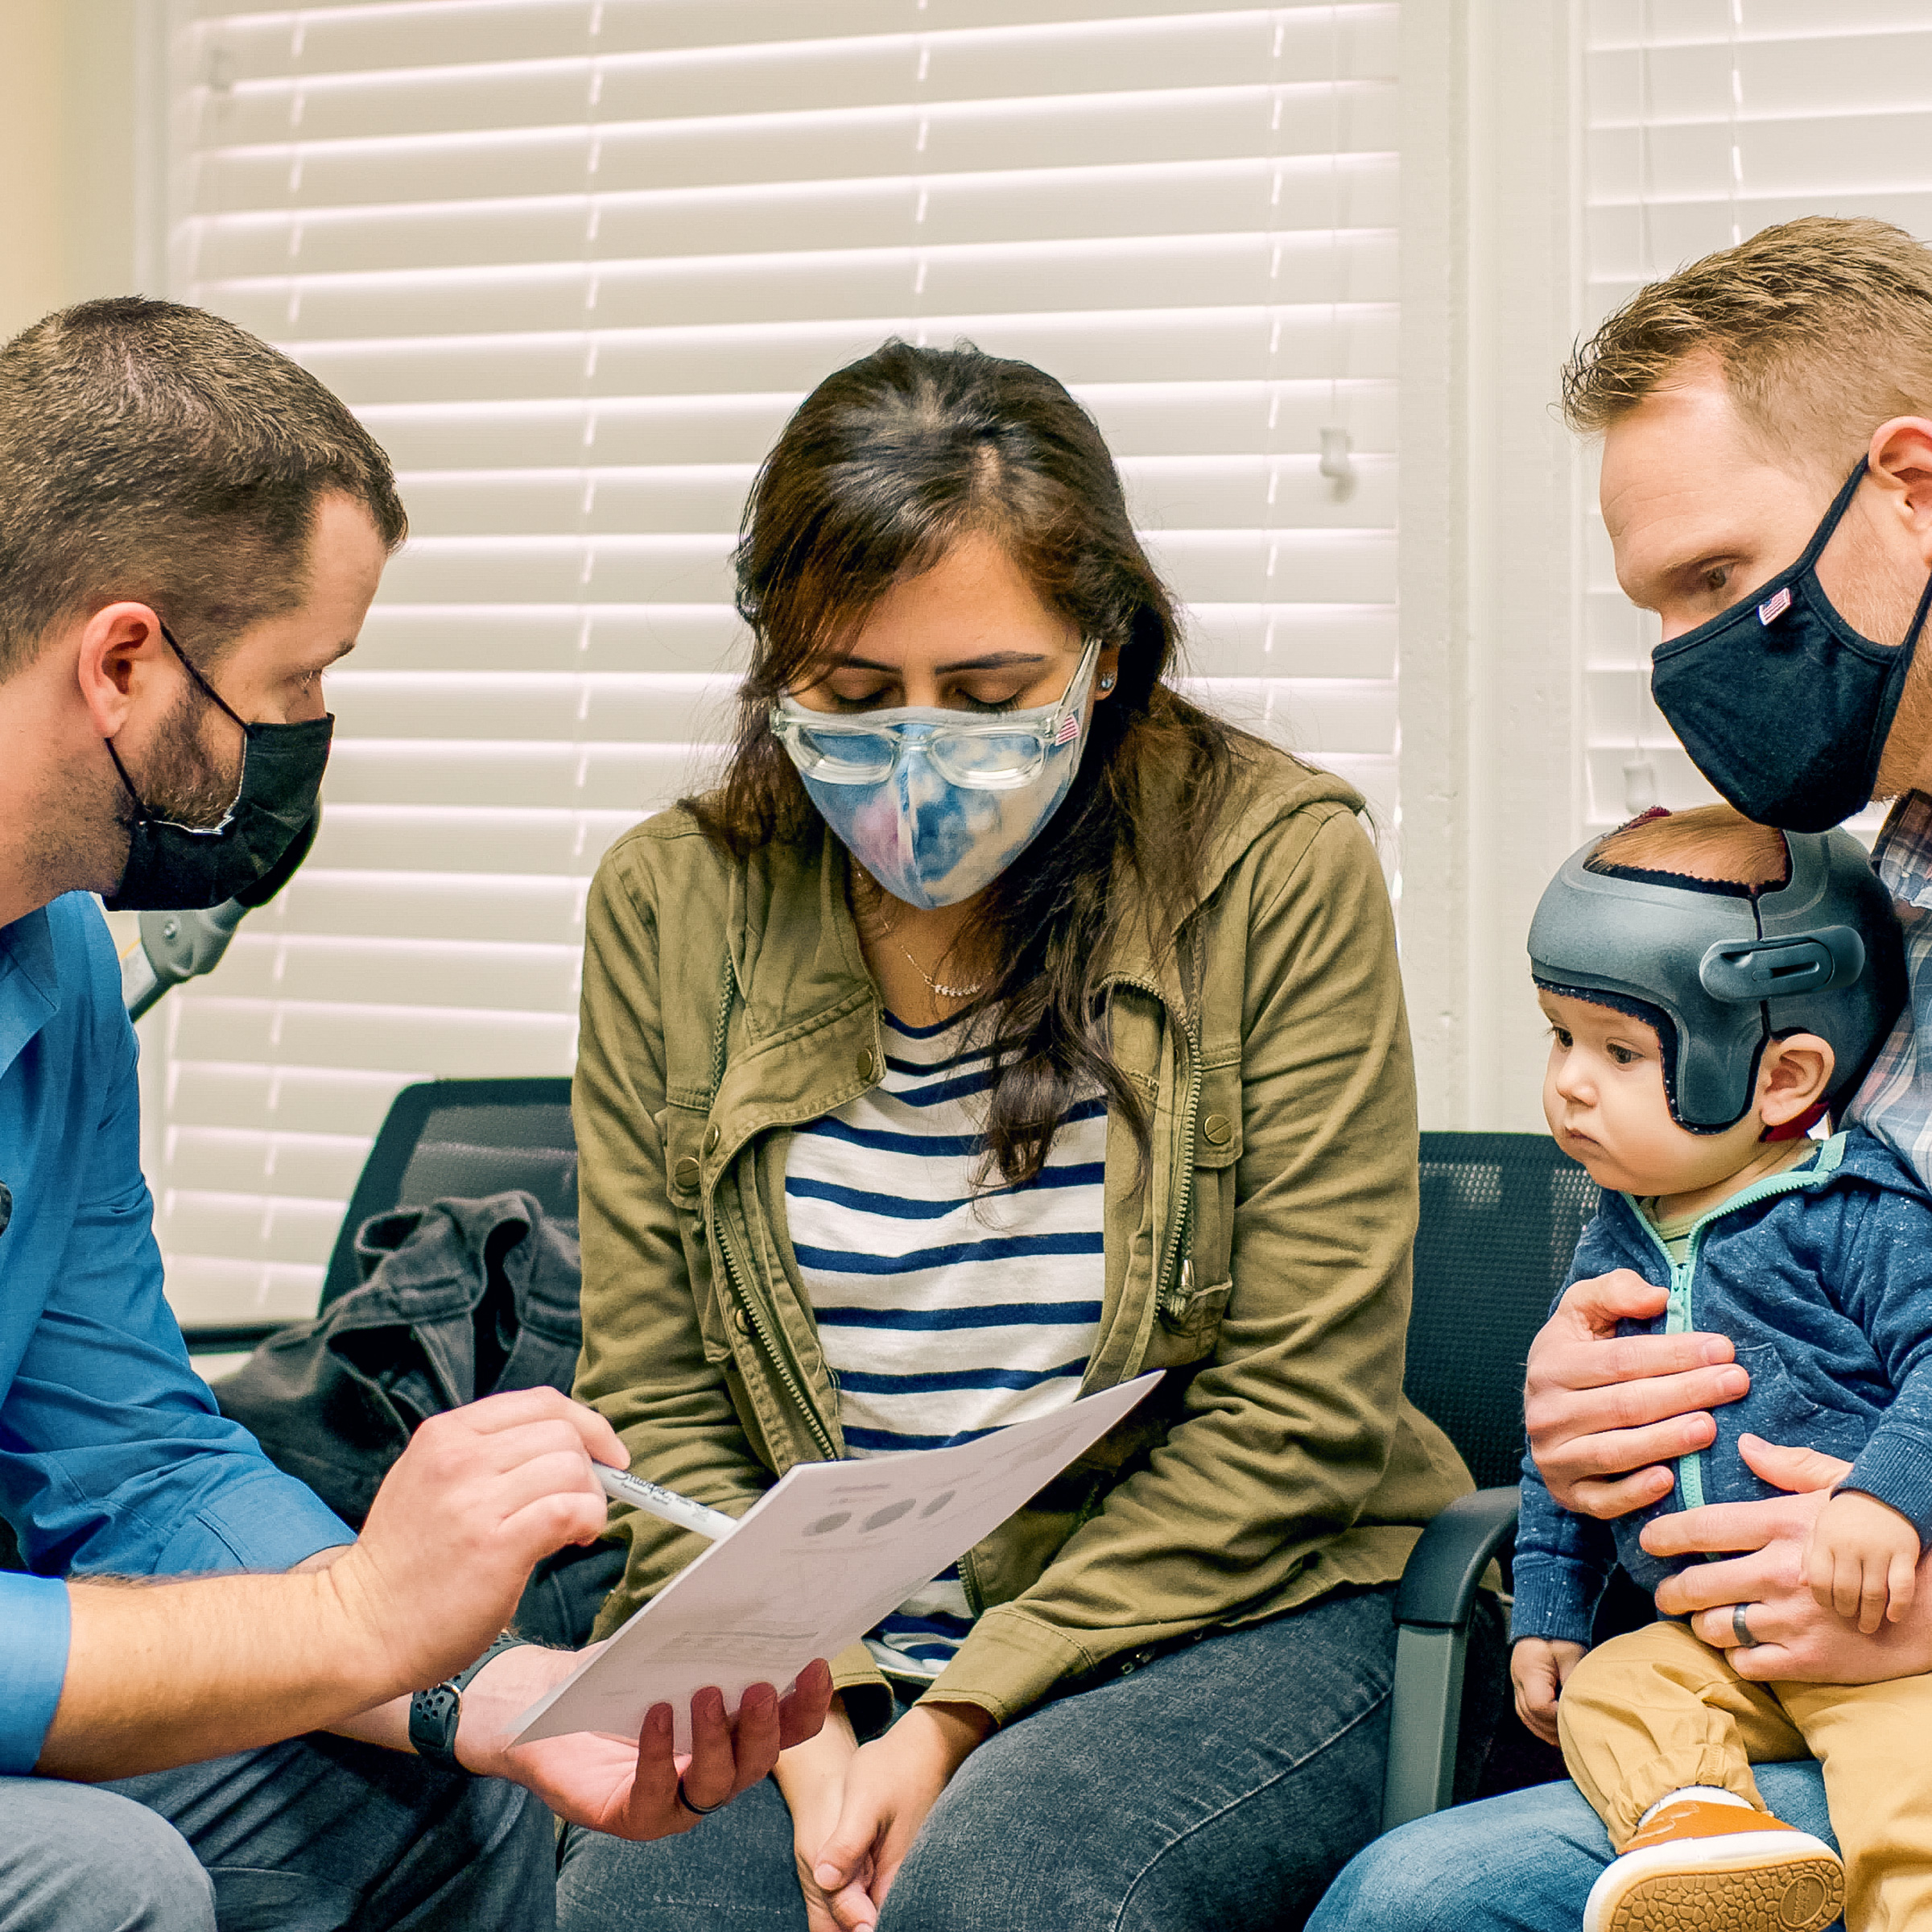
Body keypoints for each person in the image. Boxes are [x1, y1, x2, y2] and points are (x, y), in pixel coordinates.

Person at [554, 338, 1483, 1932]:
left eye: (987, 696)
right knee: (647, 1901)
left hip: (1226, 1611)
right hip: (818, 1644)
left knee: (1009, 1889)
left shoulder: (1278, 863)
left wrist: (963, 1712)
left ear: (1105, 653)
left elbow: (1304, 1412)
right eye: (851, 696)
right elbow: (656, 1392)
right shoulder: (669, 897)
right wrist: (816, 1716)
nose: (918, 749)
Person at [0, 297, 828, 1932]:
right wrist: (359, 1617)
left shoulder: (63, 975)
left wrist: (477, 1686)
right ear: (123, 661)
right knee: (108, 1876)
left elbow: (135, 1459)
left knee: (436, 1798)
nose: (308, 737)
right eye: (297, 679)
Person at [1308, 216, 1932, 1932]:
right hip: (1761, 1666)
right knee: (1407, 1909)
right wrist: (1590, 1404)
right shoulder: (1864, 908)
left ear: (1912, 487)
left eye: (1723, 584)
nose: (1689, 664)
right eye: (1659, 607)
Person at [1512, 803, 1931, 1932]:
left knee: (1912, 1805)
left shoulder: (1860, 1212)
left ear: (1786, 1075)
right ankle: (1708, 1834)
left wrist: (1887, 1500)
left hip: (1886, 1651)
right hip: (1718, 1651)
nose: (1570, 1084)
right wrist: (1547, 1609)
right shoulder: (1618, 1229)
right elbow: (1565, 1456)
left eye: (1620, 1051)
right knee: (1614, 1689)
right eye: (1559, 1037)